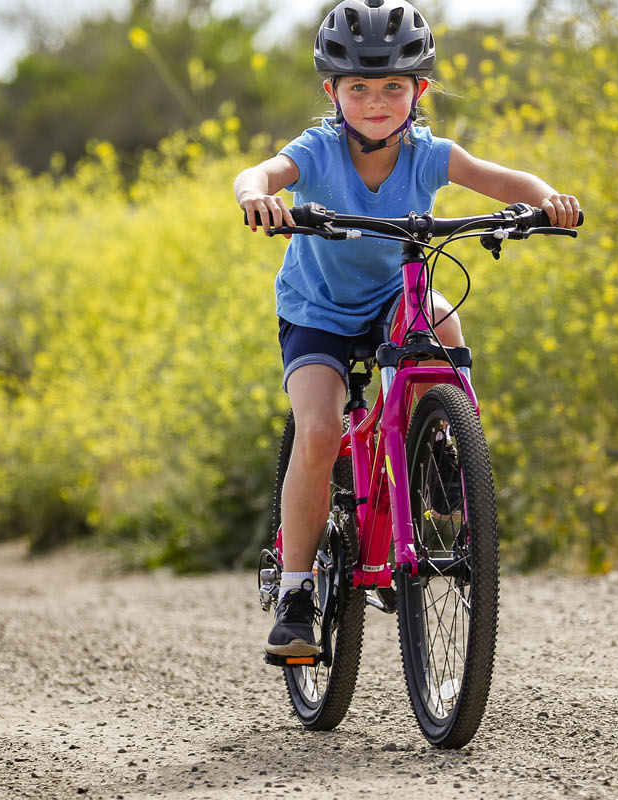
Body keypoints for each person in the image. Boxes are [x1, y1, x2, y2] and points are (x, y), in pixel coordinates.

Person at [235, 0, 582, 656]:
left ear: (419, 91)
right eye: (358, 89)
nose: (376, 102)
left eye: (393, 86)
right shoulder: (318, 150)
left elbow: (503, 179)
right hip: (318, 312)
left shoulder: (428, 154)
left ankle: (443, 445)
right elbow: (261, 173)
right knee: (319, 431)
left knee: (444, 321)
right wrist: (258, 197)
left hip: (395, 295)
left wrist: (547, 201)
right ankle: (297, 592)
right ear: (332, 94)